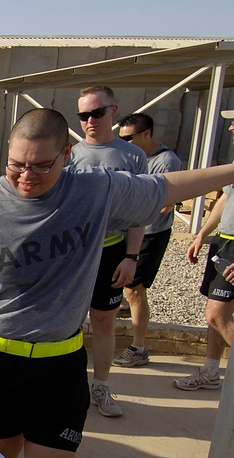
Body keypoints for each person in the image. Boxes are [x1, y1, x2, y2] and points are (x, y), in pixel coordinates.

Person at [0, 108, 234, 458]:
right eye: (16, 164)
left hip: (61, 366)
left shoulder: (95, 190)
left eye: (42, 165)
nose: (27, 176)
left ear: (68, 153)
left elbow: (167, 187)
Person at [70, 85, 148, 418]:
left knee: (103, 321)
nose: (90, 120)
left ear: (113, 112)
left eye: (96, 113)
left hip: (111, 251)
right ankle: (67, 386)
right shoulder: (70, 154)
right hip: (73, 253)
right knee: (68, 322)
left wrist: (131, 257)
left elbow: (139, 212)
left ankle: (100, 386)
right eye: (83, 115)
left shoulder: (132, 157)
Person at [112, 113, 183, 368]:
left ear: (146, 134)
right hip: (127, 232)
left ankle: (138, 347)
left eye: (129, 138)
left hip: (149, 234)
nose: (125, 143)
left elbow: (165, 203)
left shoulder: (166, 161)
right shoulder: (131, 158)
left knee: (134, 290)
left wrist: (132, 211)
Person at [175, 109, 234, 390]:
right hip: (224, 241)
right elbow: (224, 198)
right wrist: (202, 234)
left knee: (216, 315)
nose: (231, 128)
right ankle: (211, 373)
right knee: (214, 313)